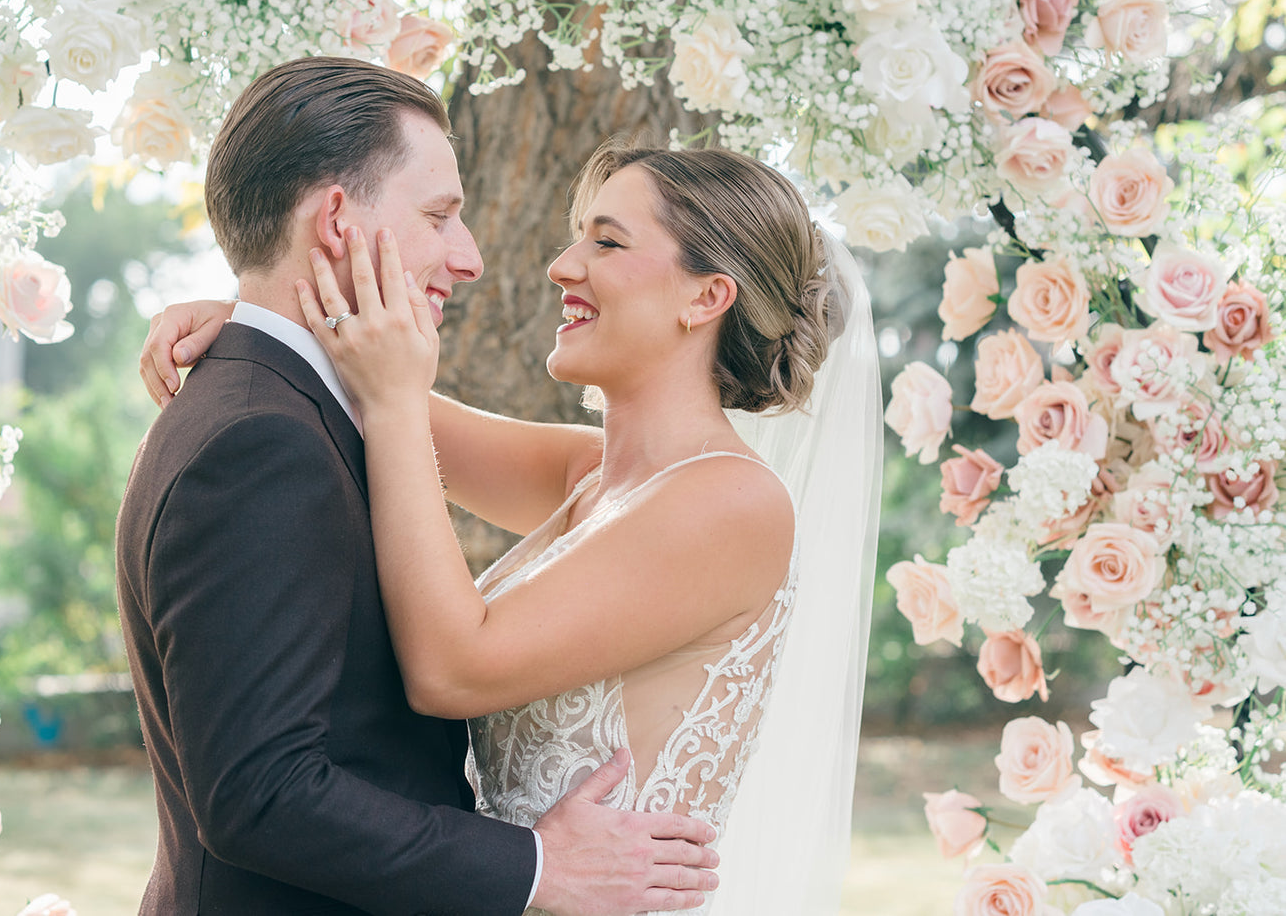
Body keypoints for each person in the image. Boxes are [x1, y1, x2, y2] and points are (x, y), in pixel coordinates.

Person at [142, 139, 884, 914]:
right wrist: (256, 320)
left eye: (606, 241)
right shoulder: (591, 478)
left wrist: (395, 399)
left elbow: (451, 667)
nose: (562, 265)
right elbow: (363, 393)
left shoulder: (730, 505)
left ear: (704, 298)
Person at [115, 56, 722, 916]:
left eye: (608, 241)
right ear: (336, 220)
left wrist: (279, 329)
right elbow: (259, 792)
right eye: (440, 215)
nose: (469, 258)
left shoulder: (279, 409)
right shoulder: (261, 440)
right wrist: (539, 868)